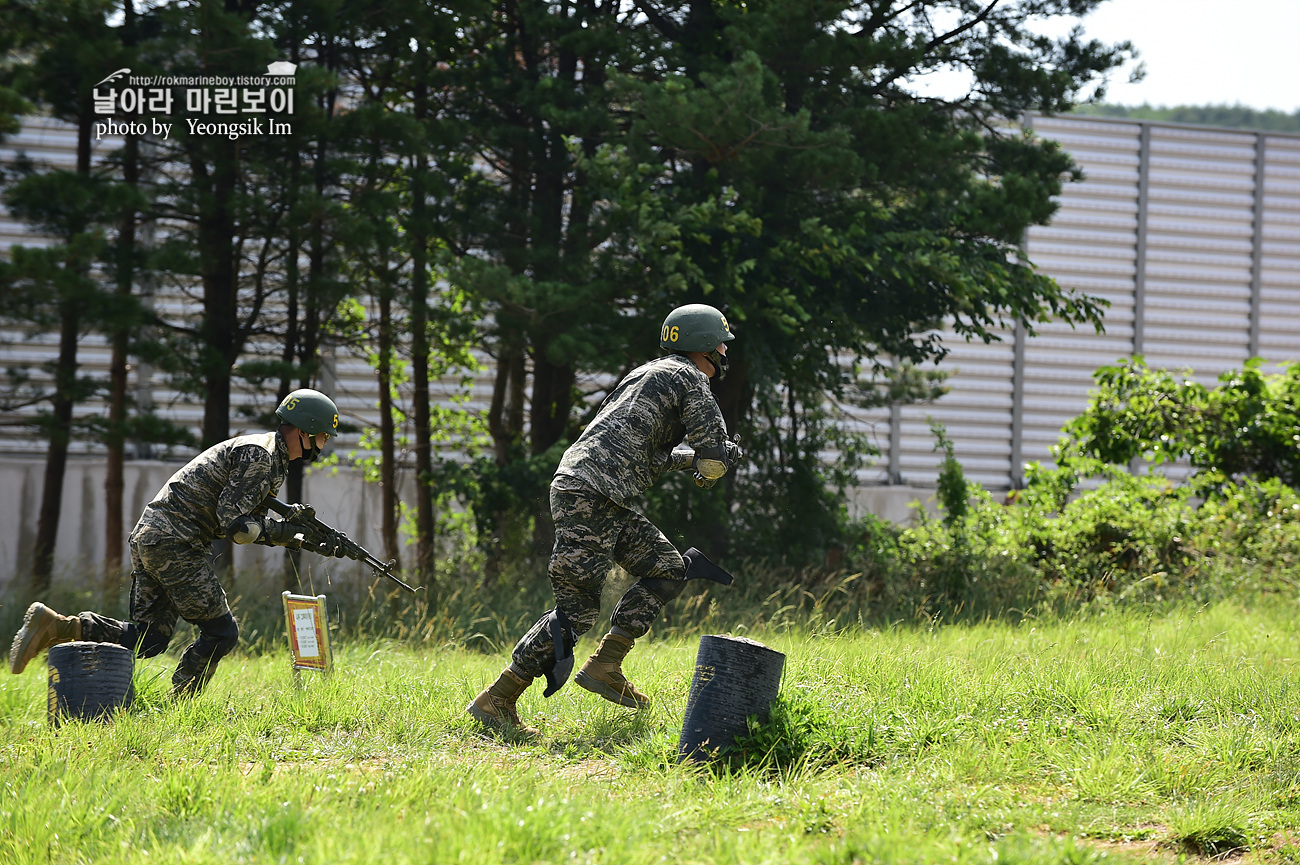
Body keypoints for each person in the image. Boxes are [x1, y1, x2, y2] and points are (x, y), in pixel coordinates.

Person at [468, 303, 744, 736]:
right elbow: (711, 459)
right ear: (705, 345)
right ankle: (497, 699)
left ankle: (605, 665)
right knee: (576, 609)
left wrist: (699, 458)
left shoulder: (650, 374)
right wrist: (722, 457)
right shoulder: (691, 378)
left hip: (596, 492)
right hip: (595, 495)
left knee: (667, 568)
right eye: (722, 341)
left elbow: (646, 450)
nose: (726, 350)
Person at [8, 388, 344, 695]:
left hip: (152, 537)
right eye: (323, 436)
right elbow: (238, 527)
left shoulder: (266, 454)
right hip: (174, 542)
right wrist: (286, 534)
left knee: (149, 639)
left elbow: (248, 518)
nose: (324, 443)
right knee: (221, 632)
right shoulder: (260, 457)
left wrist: (300, 539)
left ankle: (57, 626)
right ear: (304, 431)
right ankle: (181, 704)